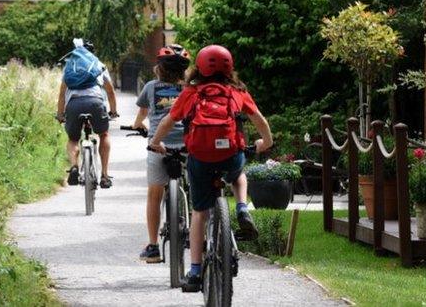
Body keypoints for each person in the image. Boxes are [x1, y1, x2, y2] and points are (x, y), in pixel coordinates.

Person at [149, 45, 273, 293]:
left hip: (201, 158)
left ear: (199, 67)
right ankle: (241, 207)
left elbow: (168, 120)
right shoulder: (237, 91)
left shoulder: (191, 92)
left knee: (199, 213)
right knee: (238, 173)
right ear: (230, 67)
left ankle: (195, 271)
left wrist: (155, 142)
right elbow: (258, 118)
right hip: (229, 155)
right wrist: (266, 142)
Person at [133, 44, 190, 263]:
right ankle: (199, 238)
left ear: (159, 68)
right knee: (196, 188)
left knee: (154, 194)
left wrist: (139, 126)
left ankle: (153, 246)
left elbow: (141, 115)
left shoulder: (150, 87)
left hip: (159, 146)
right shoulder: (189, 89)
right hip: (188, 146)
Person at [56, 39, 119, 189]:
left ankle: (73, 167)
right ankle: (104, 175)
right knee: (103, 135)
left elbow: (62, 94)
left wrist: (60, 114)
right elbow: (110, 91)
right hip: (95, 103)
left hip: (74, 105)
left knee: (73, 139)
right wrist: (114, 111)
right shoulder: (98, 65)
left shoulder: (70, 66)